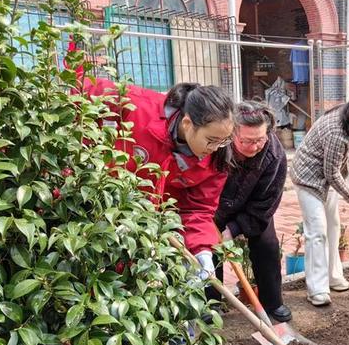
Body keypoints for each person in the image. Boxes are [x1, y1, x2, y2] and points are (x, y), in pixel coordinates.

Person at [85, 79, 235, 279]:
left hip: (149, 229)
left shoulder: (216, 160)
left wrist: (202, 251)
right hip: (99, 207)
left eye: (224, 140)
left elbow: (197, 209)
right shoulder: (136, 106)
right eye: (212, 140)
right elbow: (81, 89)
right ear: (187, 123)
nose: (216, 148)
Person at [290, 89, 349, 306]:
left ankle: (334, 276)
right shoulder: (336, 133)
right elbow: (331, 172)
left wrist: (347, 191)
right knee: (317, 232)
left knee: (333, 226)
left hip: (326, 179)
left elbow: (337, 167)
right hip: (308, 179)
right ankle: (317, 289)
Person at [213, 101, 291, 322]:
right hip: (215, 205)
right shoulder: (218, 146)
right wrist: (220, 226)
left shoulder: (274, 155)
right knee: (209, 247)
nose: (255, 146)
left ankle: (272, 303)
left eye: (260, 139)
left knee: (267, 244)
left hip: (254, 207)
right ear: (232, 134)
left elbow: (268, 201)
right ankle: (212, 305)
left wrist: (235, 228)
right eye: (247, 141)